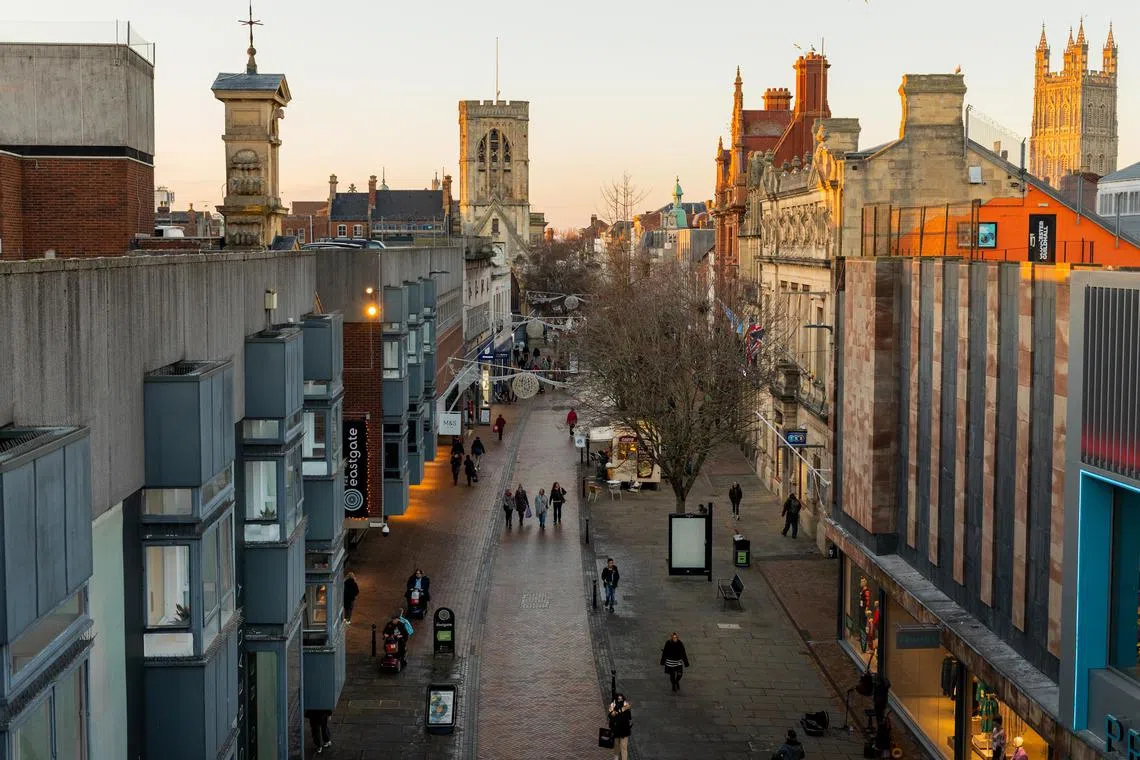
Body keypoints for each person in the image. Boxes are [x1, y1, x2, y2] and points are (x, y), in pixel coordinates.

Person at [608, 693, 632, 760]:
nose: (620, 700)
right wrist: (617, 712)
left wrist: (624, 710)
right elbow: (610, 716)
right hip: (616, 730)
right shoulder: (612, 706)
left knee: (624, 747)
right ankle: (616, 757)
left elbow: (629, 717)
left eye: (621, 698)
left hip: (624, 730)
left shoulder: (626, 705)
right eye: (619, 698)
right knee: (616, 746)